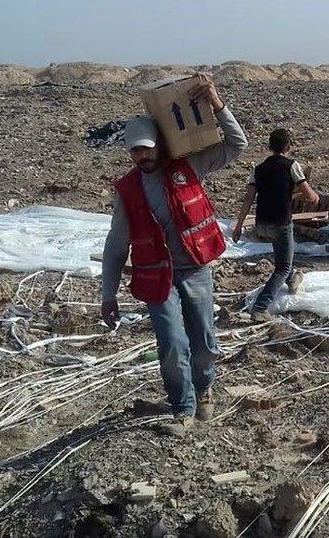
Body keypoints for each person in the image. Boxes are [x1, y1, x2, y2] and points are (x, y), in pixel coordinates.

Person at [100, 79, 248, 436]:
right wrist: (108, 294)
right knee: (171, 343)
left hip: (194, 267)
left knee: (203, 340)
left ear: (159, 145)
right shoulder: (128, 190)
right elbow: (116, 244)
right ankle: (182, 407)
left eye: (148, 150)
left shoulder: (188, 167)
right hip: (156, 275)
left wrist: (216, 103)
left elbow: (237, 145)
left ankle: (205, 388)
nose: (143, 157)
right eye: (136, 152)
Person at [232, 129, 319, 321]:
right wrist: (314, 196)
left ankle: (293, 280)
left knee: (283, 259)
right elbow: (310, 196)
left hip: (262, 223)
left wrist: (238, 226)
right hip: (280, 223)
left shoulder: (259, 168)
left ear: (269, 147)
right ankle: (260, 307)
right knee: (283, 267)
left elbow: (248, 198)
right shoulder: (292, 166)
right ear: (288, 147)